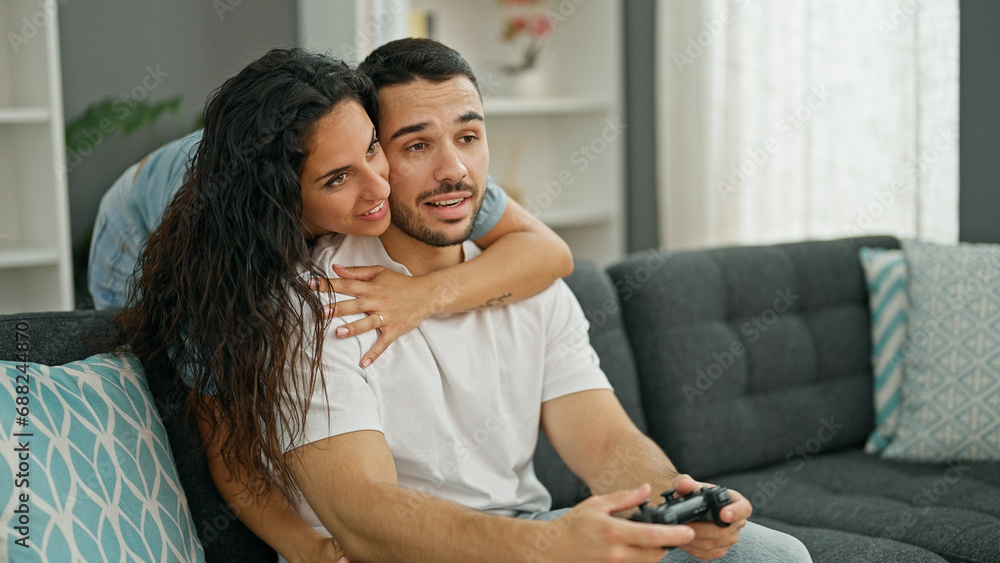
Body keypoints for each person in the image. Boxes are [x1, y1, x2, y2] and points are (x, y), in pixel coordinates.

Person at [237, 38, 813, 563]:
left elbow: (606, 439)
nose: (455, 170)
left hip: (529, 533)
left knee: (774, 557)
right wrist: (546, 544)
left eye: (468, 137)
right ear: (376, 158)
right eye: (416, 145)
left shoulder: (527, 281)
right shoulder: (316, 302)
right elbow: (365, 515)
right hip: (409, 553)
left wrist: (672, 499)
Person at [108, 47, 573, 563]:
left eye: (375, 149)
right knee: (192, 384)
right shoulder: (224, 255)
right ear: (285, 197)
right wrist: (307, 548)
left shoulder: (416, 161)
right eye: (337, 179)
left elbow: (550, 254)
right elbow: (228, 450)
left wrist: (420, 298)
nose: (380, 188)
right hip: (131, 226)